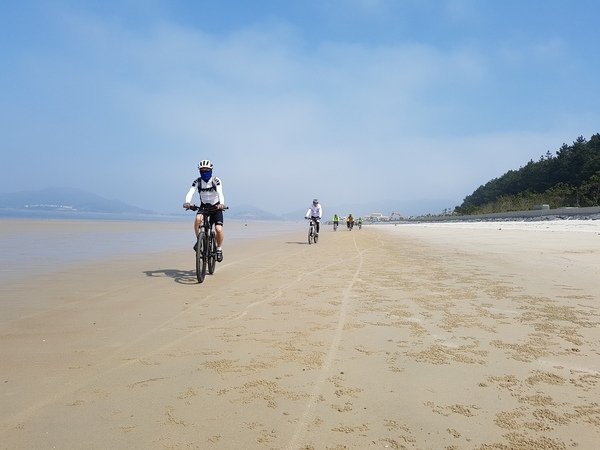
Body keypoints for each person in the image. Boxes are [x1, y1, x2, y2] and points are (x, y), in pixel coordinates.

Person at [183, 159, 226, 262]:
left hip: (216, 208)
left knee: (218, 229)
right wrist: (187, 203)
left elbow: (220, 192)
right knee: (198, 220)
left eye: (207, 170)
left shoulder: (216, 181)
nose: (205, 172)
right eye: (202, 170)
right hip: (204, 207)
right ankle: (199, 240)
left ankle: (219, 249)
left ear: (211, 170)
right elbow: (191, 192)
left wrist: (221, 204)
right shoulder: (197, 181)